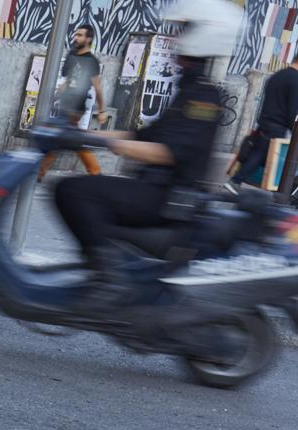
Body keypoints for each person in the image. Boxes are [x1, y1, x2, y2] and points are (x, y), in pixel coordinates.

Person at [54, 0, 243, 305]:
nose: (178, 38)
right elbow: (143, 136)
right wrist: (81, 135)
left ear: (204, 35)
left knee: (74, 191)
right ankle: (107, 267)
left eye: (185, 30)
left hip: (169, 197)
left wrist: (104, 144)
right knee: (77, 189)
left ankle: (109, 278)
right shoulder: (191, 89)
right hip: (157, 190)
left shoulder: (204, 97)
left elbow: (168, 153)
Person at [37, 23, 108, 182]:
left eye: (80, 35)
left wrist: (102, 111)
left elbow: (98, 88)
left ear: (88, 38)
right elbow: (68, 80)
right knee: (60, 139)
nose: (76, 38)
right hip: (64, 104)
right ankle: (40, 173)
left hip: (76, 109)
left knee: (68, 140)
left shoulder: (92, 62)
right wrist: (55, 97)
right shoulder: (71, 55)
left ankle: (95, 173)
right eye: (76, 34)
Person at [226, 55, 298, 193]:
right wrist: (294, 129)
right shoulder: (295, 80)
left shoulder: (277, 75)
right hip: (278, 126)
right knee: (262, 155)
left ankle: (240, 182)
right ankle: (236, 180)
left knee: (259, 154)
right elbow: (292, 109)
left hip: (264, 121)